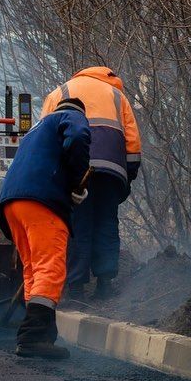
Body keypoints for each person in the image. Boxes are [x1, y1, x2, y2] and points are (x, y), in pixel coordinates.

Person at [0, 98, 91, 359]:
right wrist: (77, 183)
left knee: (33, 269)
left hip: (11, 204)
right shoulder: (71, 116)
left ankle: (40, 335)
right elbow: (79, 135)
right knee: (50, 266)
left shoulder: (36, 130)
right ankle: (33, 337)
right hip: (41, 202)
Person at [41, 67, 142, 300]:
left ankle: (76, 289)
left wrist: (53, 178)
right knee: (107, 222)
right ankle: (105, 285)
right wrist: (128, 176)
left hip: (74, 170)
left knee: (78, 225)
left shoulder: (59, 92)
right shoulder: (117, 96)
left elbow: (45, 137)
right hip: (111, 170)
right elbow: (133, 142)